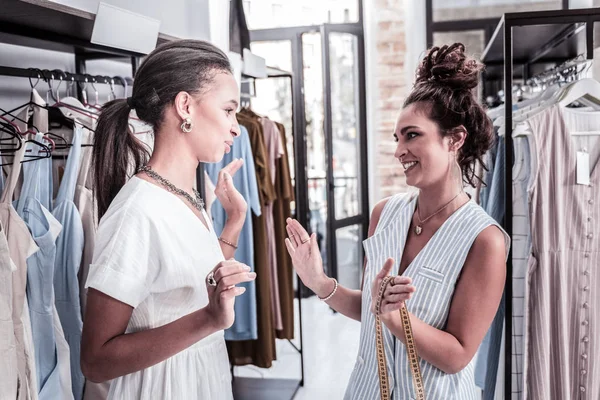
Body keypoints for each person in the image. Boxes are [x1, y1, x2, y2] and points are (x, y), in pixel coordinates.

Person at [285, 43, 510, 399]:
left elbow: (458, 354)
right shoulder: (384, 214)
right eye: (397, 138)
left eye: (412, 135)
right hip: (366, 389)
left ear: (454, 139)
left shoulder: (484, 240)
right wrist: (319, 282)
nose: (398, 150)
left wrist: (396, 320)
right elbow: (371, 307)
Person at [80, 40, 256, 400]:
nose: (236, 128)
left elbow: (189, 285)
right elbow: (95, 361)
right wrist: (209, 319)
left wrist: (234, 222)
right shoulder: (137, 211)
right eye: (228, 111)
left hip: (201, 379)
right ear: (186, 106)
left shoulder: (185, 193)